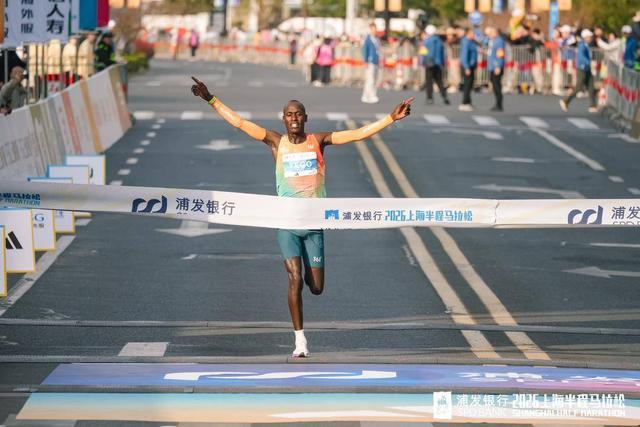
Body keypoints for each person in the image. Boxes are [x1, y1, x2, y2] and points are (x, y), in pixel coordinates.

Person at [190, 76, 413, 357]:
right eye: (289, 114)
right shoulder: (275, 142)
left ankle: (309, 271)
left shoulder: (318, 141)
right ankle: (300, 340)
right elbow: (240, 123)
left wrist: (390, 118)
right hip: (287, 224)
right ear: (283, 119)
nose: (294, 118)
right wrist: (211, 99)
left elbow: (357, 134)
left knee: (316, 287)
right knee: (294, 278)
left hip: (314, 223)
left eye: (298, 114)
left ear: (305, 118)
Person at [560, 29, 597, 113]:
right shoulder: (582, 45)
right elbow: (581, 57)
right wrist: (588, 63)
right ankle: (566, 101)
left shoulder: (585, 45)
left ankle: (593, 105)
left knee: (591, 87)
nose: (591, 38)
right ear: (585, 37)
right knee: (578, 87)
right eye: (589, 36)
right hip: (582, 68)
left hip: (586, 68)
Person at [421, 25, 449, 105]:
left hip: (429, 63)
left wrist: (423, 62)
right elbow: (442, 53)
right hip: (438, 64)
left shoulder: (427, 41)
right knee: (439, 81)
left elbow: (424, 52)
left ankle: (430, 98)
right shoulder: (439, 41)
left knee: (429, 81)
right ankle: (444, 96)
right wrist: (442, 63)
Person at [486, 26, 506, 111]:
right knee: (494, 85)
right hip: (492, 66)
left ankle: (499, 104)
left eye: (492, 32)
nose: (490, 34)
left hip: (496, 67)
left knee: (497, 85)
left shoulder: (499, 41)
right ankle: (497, 103)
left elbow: (500, 54)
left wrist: (498, 66)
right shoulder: (492, 41)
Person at [361, 23, 381, 103]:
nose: (374, 31)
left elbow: (378, 50)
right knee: (370, 79)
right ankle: (371, 95)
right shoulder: (368, 39)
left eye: (375, 29)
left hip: (376, 61)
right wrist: (365, 61)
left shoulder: (377, 39)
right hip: (370, 61)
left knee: (374, 79)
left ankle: (366, 95)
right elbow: (365, 50)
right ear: (370, 29)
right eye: (372, 29)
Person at [458, 28, 477, 111]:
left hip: (471, 66)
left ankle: (468, 102)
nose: (474, 35)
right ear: (468, 33)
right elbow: (464, 56)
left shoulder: (472, 41)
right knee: (467, 85)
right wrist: (466, 67)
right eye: (472, 33)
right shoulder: (466, 42)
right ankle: (464, 102)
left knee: (470, 85)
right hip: (467, 66)